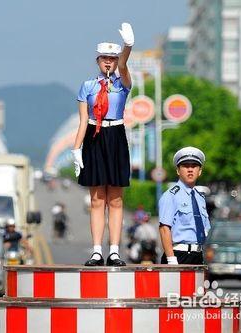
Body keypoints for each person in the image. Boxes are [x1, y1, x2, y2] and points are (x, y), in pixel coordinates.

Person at [72, 23, 134, 266]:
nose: (108, 62)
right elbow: (82, 120)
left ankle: (115, 250)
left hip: (116, 135)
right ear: (97, 61)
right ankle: (97, 250)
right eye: (104, 58)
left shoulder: (123, 83)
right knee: (97, 198)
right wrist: (76, 150)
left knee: (116, 199)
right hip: (94, 137)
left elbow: (124, 66)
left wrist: (128, 47)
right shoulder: (87, 86)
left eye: (112, 58)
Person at [159, 147, 211, 265]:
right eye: (186, 166)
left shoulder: (200, 197)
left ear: (200, 171)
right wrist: (171, 259)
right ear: (178, 170)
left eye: (194, 166)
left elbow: (205, 228)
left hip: (197, 254)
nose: (190, 170)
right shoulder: (171, 195)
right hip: (178, 255)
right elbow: (164, 229)